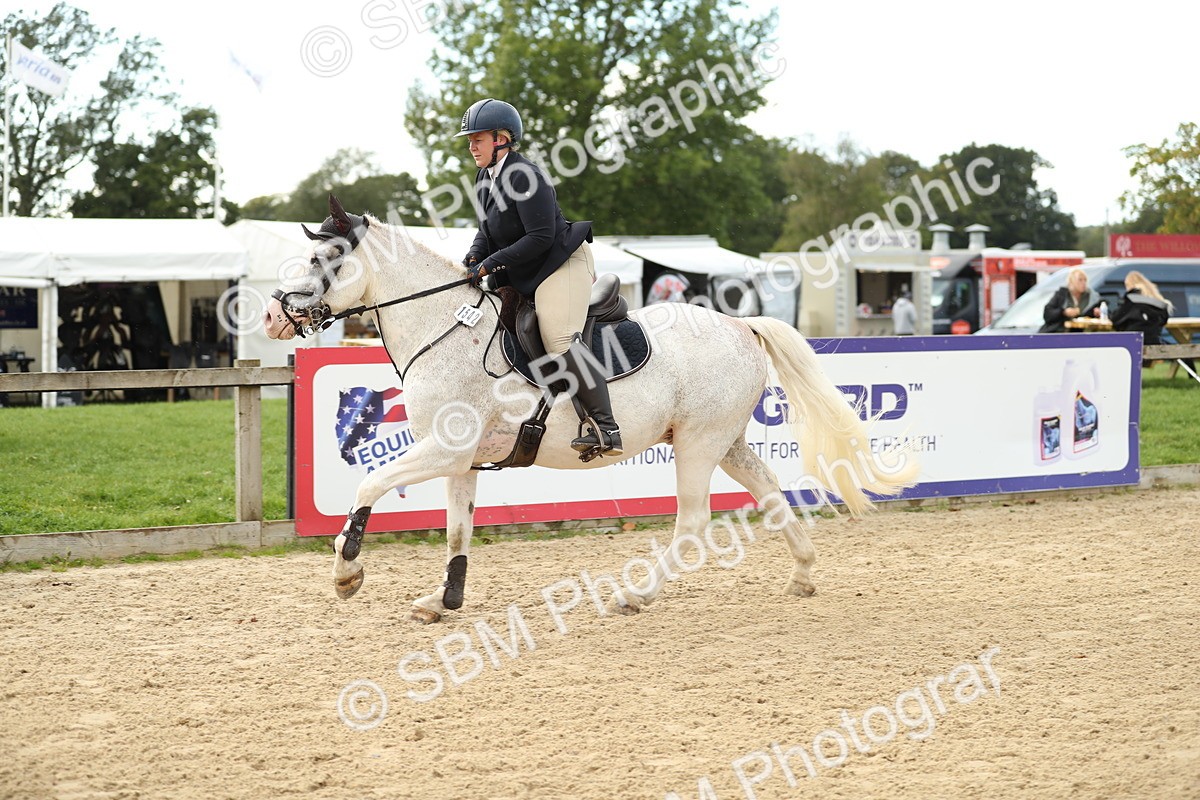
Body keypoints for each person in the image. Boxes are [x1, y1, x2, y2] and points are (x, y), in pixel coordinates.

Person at [456, 98, 622, 456]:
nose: (471, 147)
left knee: (560, 337)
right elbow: (487, 230)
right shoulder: (484, 178)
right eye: (469, 140)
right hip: (528, 268)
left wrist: (490, 264)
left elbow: (541, 236)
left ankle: (606, 428)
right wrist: (473, 257)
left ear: (502, 138)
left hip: (562, 262)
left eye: (478, 139)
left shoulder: (524, 175)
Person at [1111, 270, 1173, 367]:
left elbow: (1116, 319)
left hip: (1133, 341)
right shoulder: (1158, 300)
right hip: (1154, 340)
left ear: (1130, 285)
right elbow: (1164, 321)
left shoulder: (1132, 298)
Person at [1039, 268, 1101, 333]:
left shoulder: (1092, 297)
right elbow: (1047, 314)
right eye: (1080, 280)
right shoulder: (1061, 295)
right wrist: (1063, 312)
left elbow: (1105, 311)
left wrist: (1098, 313)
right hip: (1060, 334)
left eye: (1085, 280)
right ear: (1071, 281)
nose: (1083, 283)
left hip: (1083, 334)